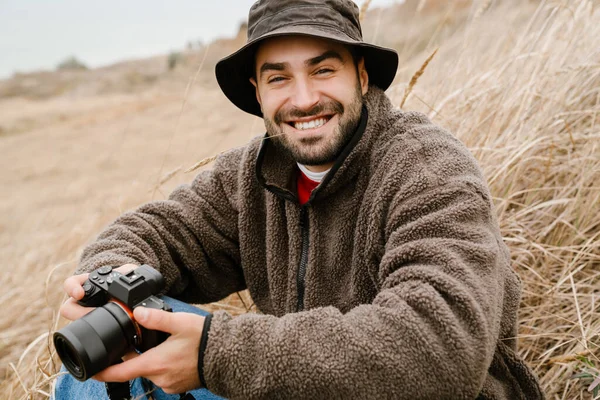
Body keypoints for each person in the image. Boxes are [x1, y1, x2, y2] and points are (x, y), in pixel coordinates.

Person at [54, 0, 545, 399]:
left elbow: (441, 347)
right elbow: (150, 232)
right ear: (258, 91)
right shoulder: (252, 175)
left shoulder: (427, 168)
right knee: (84, 385)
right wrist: (104, 293)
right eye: (279, 78)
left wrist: (213, 356)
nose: (304, 98)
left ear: (362, 74)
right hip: (296, 387)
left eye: (323, 69)